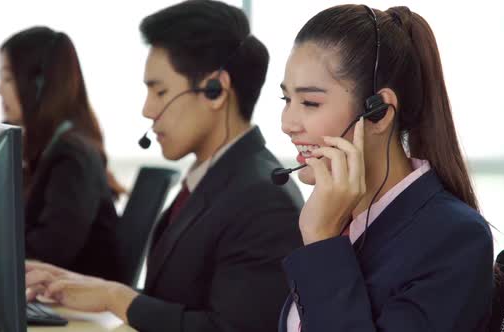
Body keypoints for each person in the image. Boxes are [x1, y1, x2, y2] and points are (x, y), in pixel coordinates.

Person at [25, 1, 304, 331]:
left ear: (215, 91)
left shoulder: (262, 199)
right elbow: (184, 301)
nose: (147, 109)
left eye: (160, 91)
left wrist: (117, 298)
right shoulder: (216, 176)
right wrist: (88, 287)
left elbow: (232, 328)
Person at [277, 4, 494, 331]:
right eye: (286, 100)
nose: (287, 124)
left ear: (378, 112)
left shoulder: (455, 237)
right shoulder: (341, 219)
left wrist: (322, 242)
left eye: (309, 102)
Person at [0, 27, 124, 281]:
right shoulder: (43, 150)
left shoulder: (73, 156)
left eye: (8, 78)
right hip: (52, 297)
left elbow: (51, 251)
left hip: (80, 309)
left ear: (40, 84)